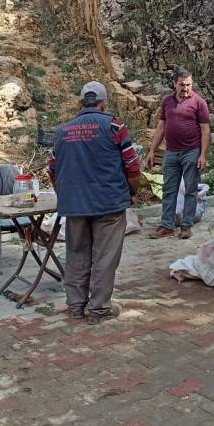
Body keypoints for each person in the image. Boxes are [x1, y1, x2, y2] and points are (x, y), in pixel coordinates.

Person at [49, 82, 141, 325]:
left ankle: (76, 305)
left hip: (75, 205)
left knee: (76, 253)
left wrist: (64, 194)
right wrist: (133, 193)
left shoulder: (62, 131)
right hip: (109, 204)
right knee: (105, 256)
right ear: (103, 104)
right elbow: (132, 166)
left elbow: (53, 169)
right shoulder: (114, 127)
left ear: (80, 104)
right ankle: (99, 309)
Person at [146, 68, 211, 240]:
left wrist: (203, 154)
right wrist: (152, 150)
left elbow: (205, 130)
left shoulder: (199, 102)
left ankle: (186, 226)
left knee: (190, 189)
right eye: (182, 85)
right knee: (169, 190)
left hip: (191, 152)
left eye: (189, 84)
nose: (186, 88)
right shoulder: (167, 101)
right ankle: (167, 225)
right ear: (175, 84)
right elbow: (161, 127)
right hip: (171, 153)